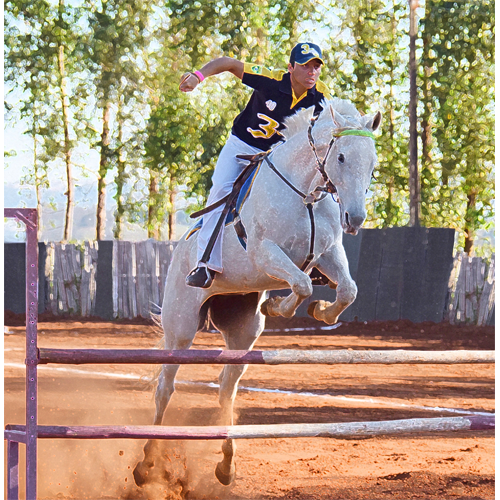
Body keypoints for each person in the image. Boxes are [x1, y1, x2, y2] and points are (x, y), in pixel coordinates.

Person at [180, 42, 332, 288]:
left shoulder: (321, 96)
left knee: (313, 188)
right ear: (291, 67)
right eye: (305, 66)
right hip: (241, 147)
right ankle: (205, 264)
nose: (312, 72)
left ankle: (314, 261)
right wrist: (198, 77)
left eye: (316, 66)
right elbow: (228, 63)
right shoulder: (269, 80)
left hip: (277, 156)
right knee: (220, 190)